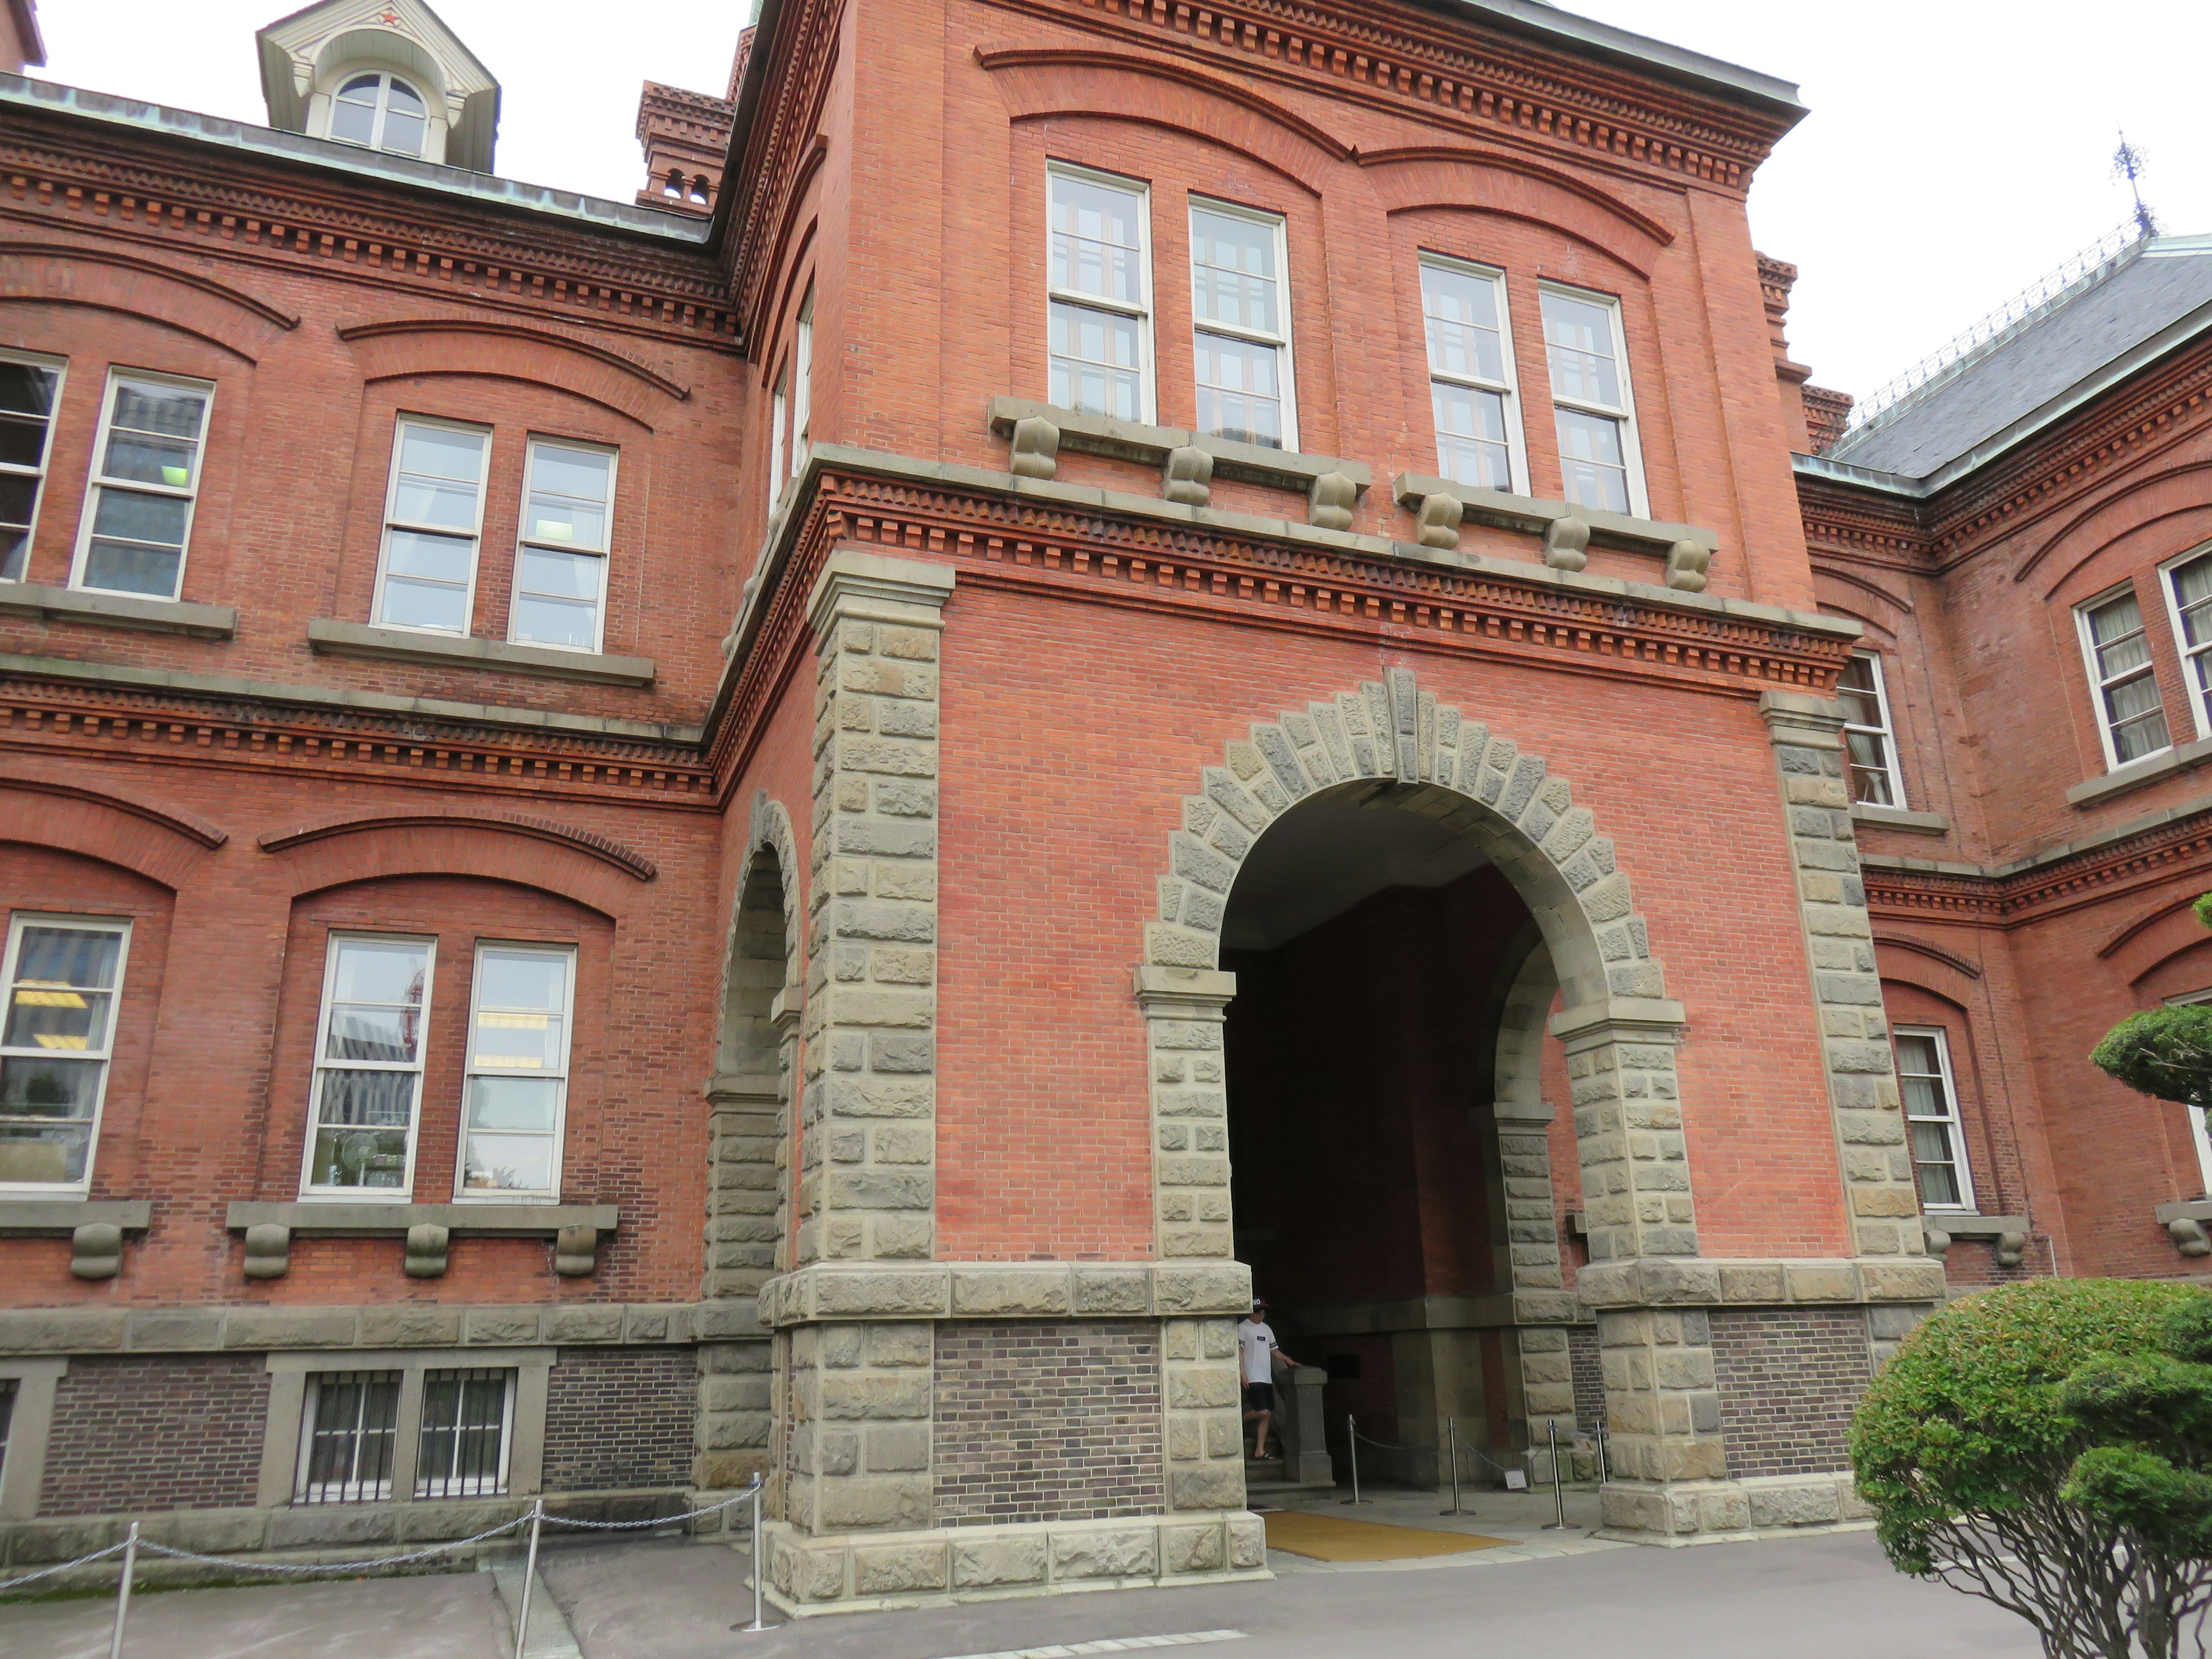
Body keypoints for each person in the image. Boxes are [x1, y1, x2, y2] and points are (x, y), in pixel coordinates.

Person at [1240, 1298, 1301, 1460]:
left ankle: (1260, 1450)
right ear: (1252, 1312)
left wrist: (1287, 1359)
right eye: (1260, 1312)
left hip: (1266, 1377)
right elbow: (1239, 1352)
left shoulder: (1267, 1329)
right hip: (1252, 1377)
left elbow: (1274, 1351)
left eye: (1263, 1312)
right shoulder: (1242, 1328)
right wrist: (1242, 1374)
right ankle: (1238, 1420)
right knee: (1262, 1411)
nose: (1263, 1315)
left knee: (1267, 1415)